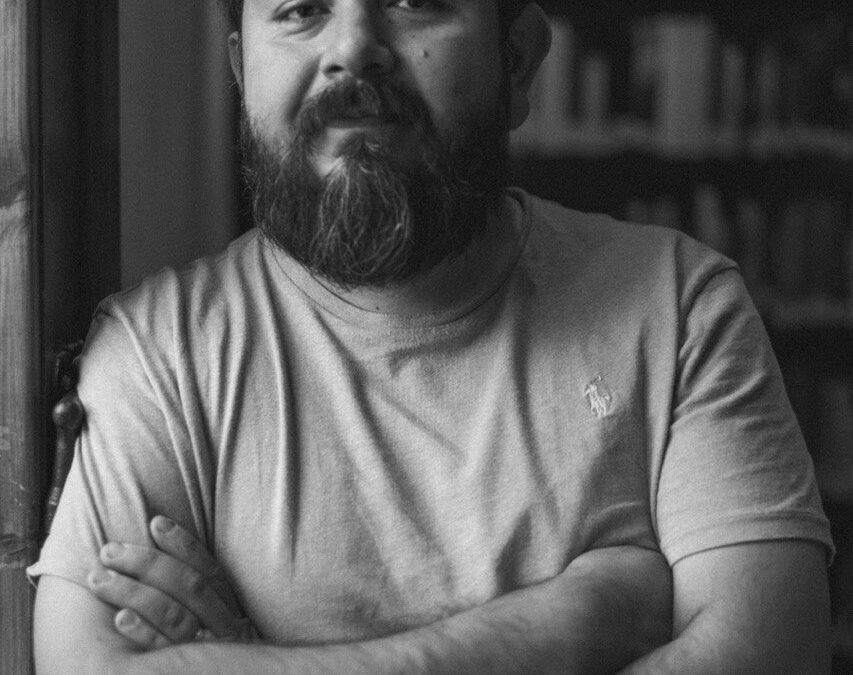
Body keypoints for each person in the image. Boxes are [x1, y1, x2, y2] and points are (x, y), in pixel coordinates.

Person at [31, 1, 834, 673]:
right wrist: (553, 632)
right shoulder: (156, 354)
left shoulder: (679, 308)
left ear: (515, 61)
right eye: (302, 11)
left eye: (414, 1)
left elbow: (772, 655)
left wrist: (250, 660)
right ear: (243, 73)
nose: (352, 49)